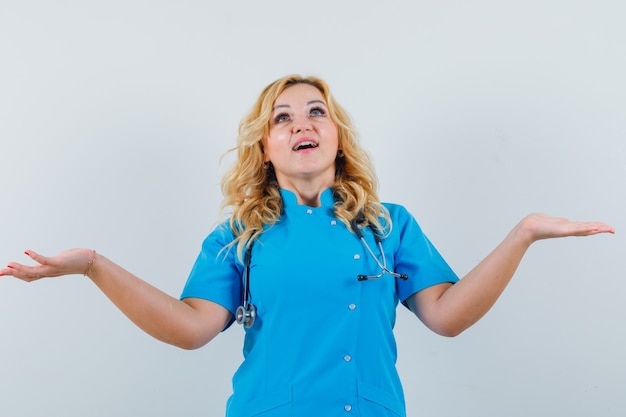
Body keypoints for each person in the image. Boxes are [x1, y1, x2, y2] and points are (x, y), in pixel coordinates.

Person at [0, 74, 614, 417]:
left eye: (316, 112)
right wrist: (93, 267)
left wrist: (523, 233)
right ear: (264, 148)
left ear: (337, 136)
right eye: (283, 118)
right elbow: (190, 330)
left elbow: (448, 317)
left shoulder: (387, 225)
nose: (302, 124)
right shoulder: (237, 236)